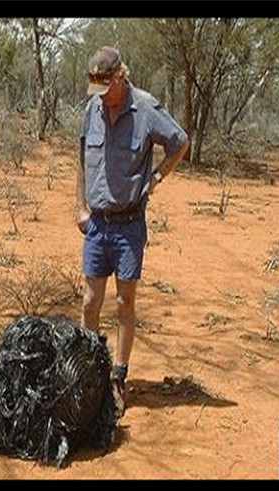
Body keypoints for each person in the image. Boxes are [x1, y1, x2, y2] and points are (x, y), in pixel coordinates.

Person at [75, 46, 189, 419]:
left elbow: (180, 141)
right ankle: (89, 370)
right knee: (91, 301)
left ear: (120, 77)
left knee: (124, 303)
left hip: (128, 226)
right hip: (96, 224)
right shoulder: (91, 109)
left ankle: (118, 377)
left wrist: (156, 177)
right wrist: (79, 205)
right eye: (96, 88)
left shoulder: (145, 109)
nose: (101, 96)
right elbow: (81, 157)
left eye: (106, 87)